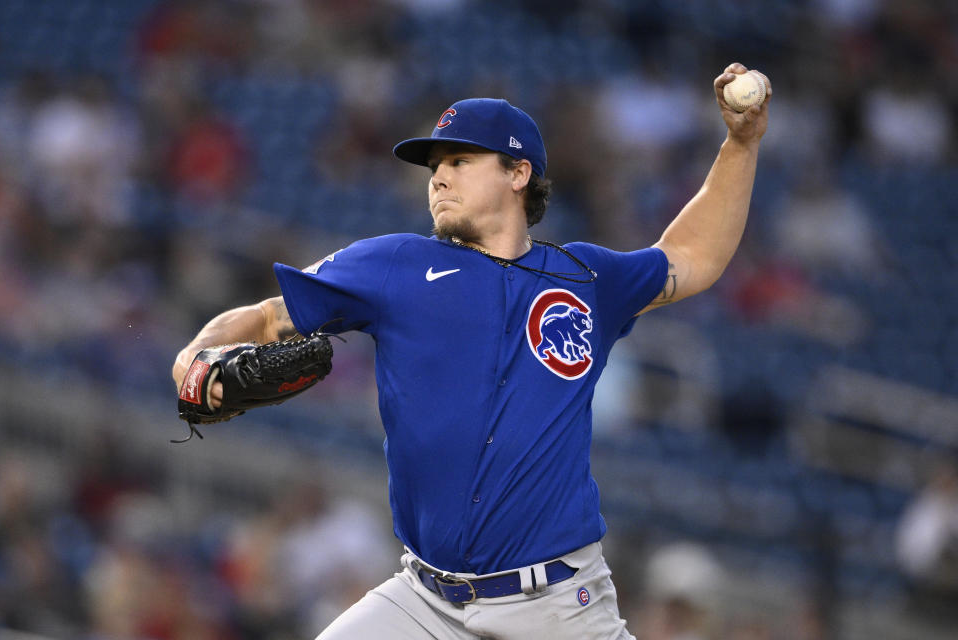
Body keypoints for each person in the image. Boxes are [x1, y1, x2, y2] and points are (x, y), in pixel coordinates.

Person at [172, 62, 771, 639]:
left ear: (518, 174)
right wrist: (193, 359)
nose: (438, 176)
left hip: (557, 607)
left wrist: (740, 148)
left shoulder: (586, 279)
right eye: (435, 164)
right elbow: (267, 316)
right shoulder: (395, 264)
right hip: (425, 602)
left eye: (460, 160)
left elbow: (692, 257)